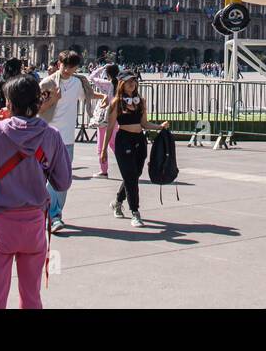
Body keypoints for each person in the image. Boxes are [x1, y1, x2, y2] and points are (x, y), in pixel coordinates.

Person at [0, 74, 72, 308]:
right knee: (31, 296)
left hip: (1, 223)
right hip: (34, 224)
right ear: (39, 102)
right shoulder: (52, 136)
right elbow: (62, 182)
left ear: (9, 104)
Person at [38, 51, 100, 233]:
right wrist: (53, 101)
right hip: (45, 135)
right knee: (42, 177)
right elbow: (37, 108)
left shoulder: (78, 83)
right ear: (59, 64)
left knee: (62, 179)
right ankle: (47, 214)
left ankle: (55, 215)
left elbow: (87, 95)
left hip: (66, 138)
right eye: (64, 66)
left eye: (71, 67)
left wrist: (103, 98)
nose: (67, 70)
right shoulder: (46, 83)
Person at [101, 70, 168, 229]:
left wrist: (159, 127)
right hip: (124, 140)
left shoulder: (141, 101)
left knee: (135, 175)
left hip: (139, 140)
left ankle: (117, 202)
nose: (132, 83)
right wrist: (103, 150)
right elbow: (110, 127)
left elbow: (144, 124)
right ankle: (135, 212)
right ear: (121, 84)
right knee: (130, 176)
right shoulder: (117, 102)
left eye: (134, 80)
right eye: (129, 81)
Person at [88, 63, 118, 178]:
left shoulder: (106, 84)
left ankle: (103, 170)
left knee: (101, 145)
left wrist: (101, 68)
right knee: (113, 143)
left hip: (104, 117)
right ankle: (125, 163)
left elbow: (91, 77)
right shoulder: (119, 84)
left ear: (107, 73)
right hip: (115, 117)